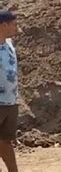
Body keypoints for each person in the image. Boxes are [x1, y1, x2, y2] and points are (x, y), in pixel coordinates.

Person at [0, 10, 19, 172]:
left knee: (6, 141)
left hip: (11, 102)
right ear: (3, 25)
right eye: (13, 25)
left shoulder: (10, 44)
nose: (16, 28)